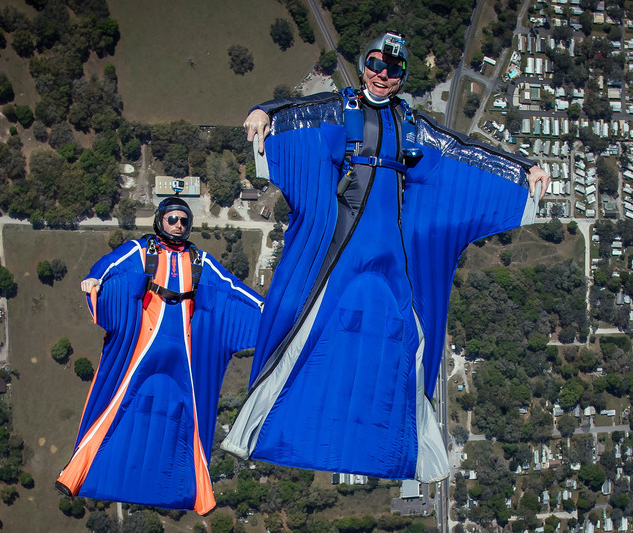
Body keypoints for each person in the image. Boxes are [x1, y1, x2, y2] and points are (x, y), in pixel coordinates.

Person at [222, 32, 550, 483]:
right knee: (304, 327)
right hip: (341, 243)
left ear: (402, 77)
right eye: (375, 65)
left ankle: (411, 449)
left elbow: (462, 153)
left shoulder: (412, 125)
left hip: (392, 248)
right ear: (362, 65)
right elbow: (293, 113)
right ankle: (258, 428)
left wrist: (520, 172)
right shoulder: (338, 108)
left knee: (408, 339)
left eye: (393, 70)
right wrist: (262, 112)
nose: (382, 75)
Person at [56, 197, 264, 515]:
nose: (179, 225)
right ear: (160, 221)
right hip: (145, 341)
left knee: (192, 415)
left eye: (184, 220)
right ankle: (77, 474)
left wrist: (269, 312)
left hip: (184, 346)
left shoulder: (200, 261)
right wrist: (94, 281)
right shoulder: (141, 252)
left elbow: (233, 290)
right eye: (173, 219)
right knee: (116, 403)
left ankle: (198, 491)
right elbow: (109, 266)